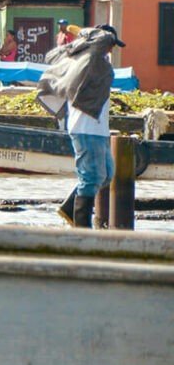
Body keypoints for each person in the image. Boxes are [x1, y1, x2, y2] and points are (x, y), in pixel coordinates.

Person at [39, 25, 125, 228]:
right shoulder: (89, 59)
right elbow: (99, 42)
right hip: (85, 128)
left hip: (98, 128)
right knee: (91, 177)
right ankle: (81, 227)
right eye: (110, 44)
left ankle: (69, 208)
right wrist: (99, 36)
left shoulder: (96, 61)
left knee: (106, 175)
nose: (111, 49)